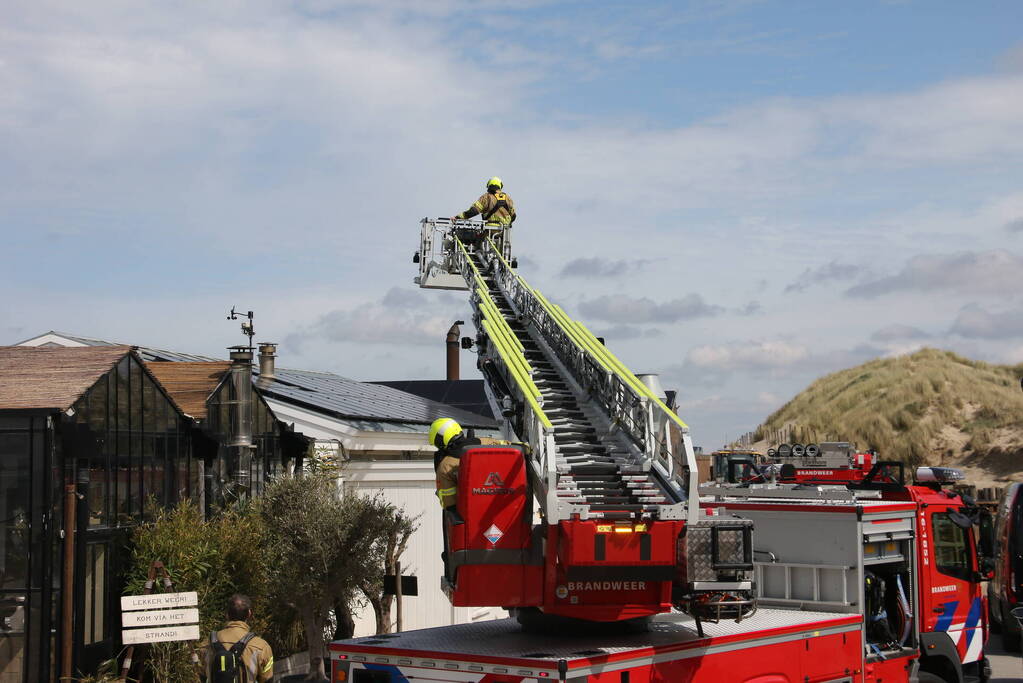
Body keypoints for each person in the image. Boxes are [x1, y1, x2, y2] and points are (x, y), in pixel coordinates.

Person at [204, 594, 274, 683]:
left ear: (227, 614)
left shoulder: (207, 643)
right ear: (249, 613)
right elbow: (267, 679)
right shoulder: (261, 646)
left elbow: (200, 674)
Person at [451, 176, 516, 258]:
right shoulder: (508, 198)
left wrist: (457, 217)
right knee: (502, 252)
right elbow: (513, 216)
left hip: (489, 230)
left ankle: (478, 253)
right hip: (504, 231)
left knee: (478, 240)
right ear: (500, 186)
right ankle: (500, 259)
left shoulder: (486, 197)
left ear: (489, 185)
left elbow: (473, 211)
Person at [430, 417, 482, 509]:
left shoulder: (445, 467)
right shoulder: (487, 442)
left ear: (441, 439)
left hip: (470, 516)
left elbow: (448, 504)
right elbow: (514, 447)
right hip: (504, 510)